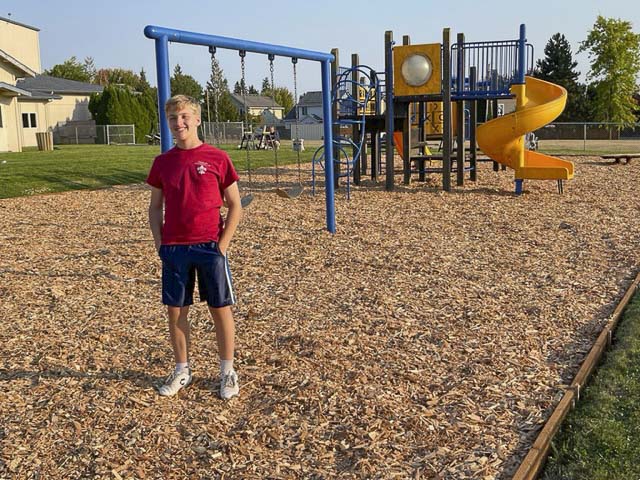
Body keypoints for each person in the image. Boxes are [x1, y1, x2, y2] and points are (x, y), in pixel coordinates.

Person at [146, 95, 242, 400]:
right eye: (173, 118)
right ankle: (182, 369)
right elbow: (154, 207)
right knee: (176, 312)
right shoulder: (163, 162)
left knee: (220, 309)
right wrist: (160, 243)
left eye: (185, 116)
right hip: (175, 248)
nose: (179, 123)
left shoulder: (217, 157)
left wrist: (222, 245)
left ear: (197, 119)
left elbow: (235, 205)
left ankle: (227, 371)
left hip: (210, 247)